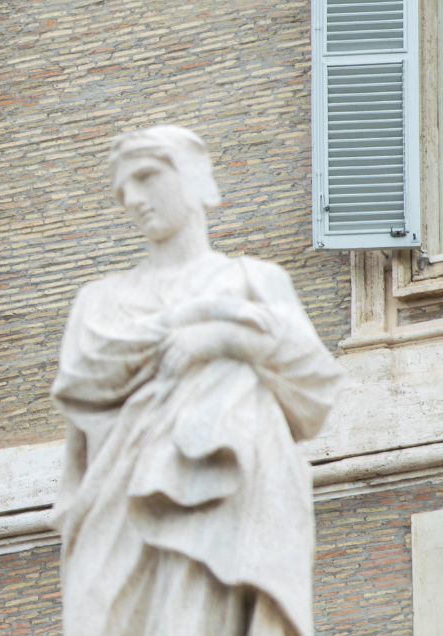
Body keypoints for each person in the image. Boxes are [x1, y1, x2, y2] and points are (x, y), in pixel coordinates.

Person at [50, 126, 343, 636]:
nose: (135, 199)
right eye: (124, 190)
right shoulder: (97, 303)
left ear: (191, 177)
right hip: (116, 512)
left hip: (226, 507)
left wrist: (223, 341)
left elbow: (315, 389)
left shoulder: (254, 281)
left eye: (147, 177)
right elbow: (82, 397)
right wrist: (206, 319)